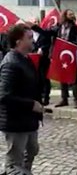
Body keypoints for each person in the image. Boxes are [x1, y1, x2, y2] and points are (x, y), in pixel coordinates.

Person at [0, 24, 42, 173]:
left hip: (28, 120)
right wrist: (31, 105)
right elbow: (4, 96)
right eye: (29, 38)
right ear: (18, 42)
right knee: (14, 163)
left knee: (31, 150)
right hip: (15, 122)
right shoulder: (11, 63)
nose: (33, 41)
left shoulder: (25, 59)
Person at [30, 9, 77, 108]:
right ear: (65, 15)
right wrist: (34, 27)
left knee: (73, 78)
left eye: (72, 14)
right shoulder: (58, 27)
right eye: (70, 14)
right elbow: (46, 33)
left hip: (71, 54)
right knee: (62, 77)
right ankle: (64, 98)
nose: (72, 15)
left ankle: (76, 99)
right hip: (60, 55)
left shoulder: (76, 28)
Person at [31, 18, 52, 106]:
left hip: (44, 60)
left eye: (37, 22)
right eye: (34, 22)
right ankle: (38, 97)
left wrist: (42, 49)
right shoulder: (29, 35)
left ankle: (46, 97)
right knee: (37, 79)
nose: (36, 23)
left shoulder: (43, 34)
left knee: (45, 78)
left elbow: (48, 43)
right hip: (33, 61)